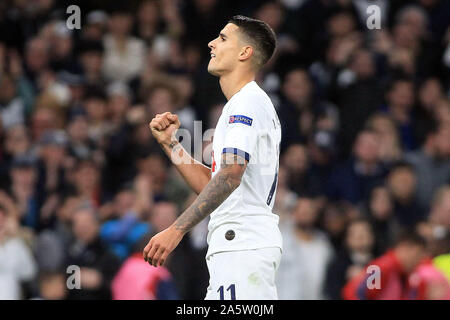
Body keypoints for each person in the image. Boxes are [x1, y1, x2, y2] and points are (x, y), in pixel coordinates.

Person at [143, 15, 282, 300]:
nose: (211, 43)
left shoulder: (246, 103)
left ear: (245, 52)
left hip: (243, 246)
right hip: (237, 246)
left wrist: (176, 229)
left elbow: (231, 175)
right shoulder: (244, 103)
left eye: (222, 38)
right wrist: (172, 145)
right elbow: (216, 180)